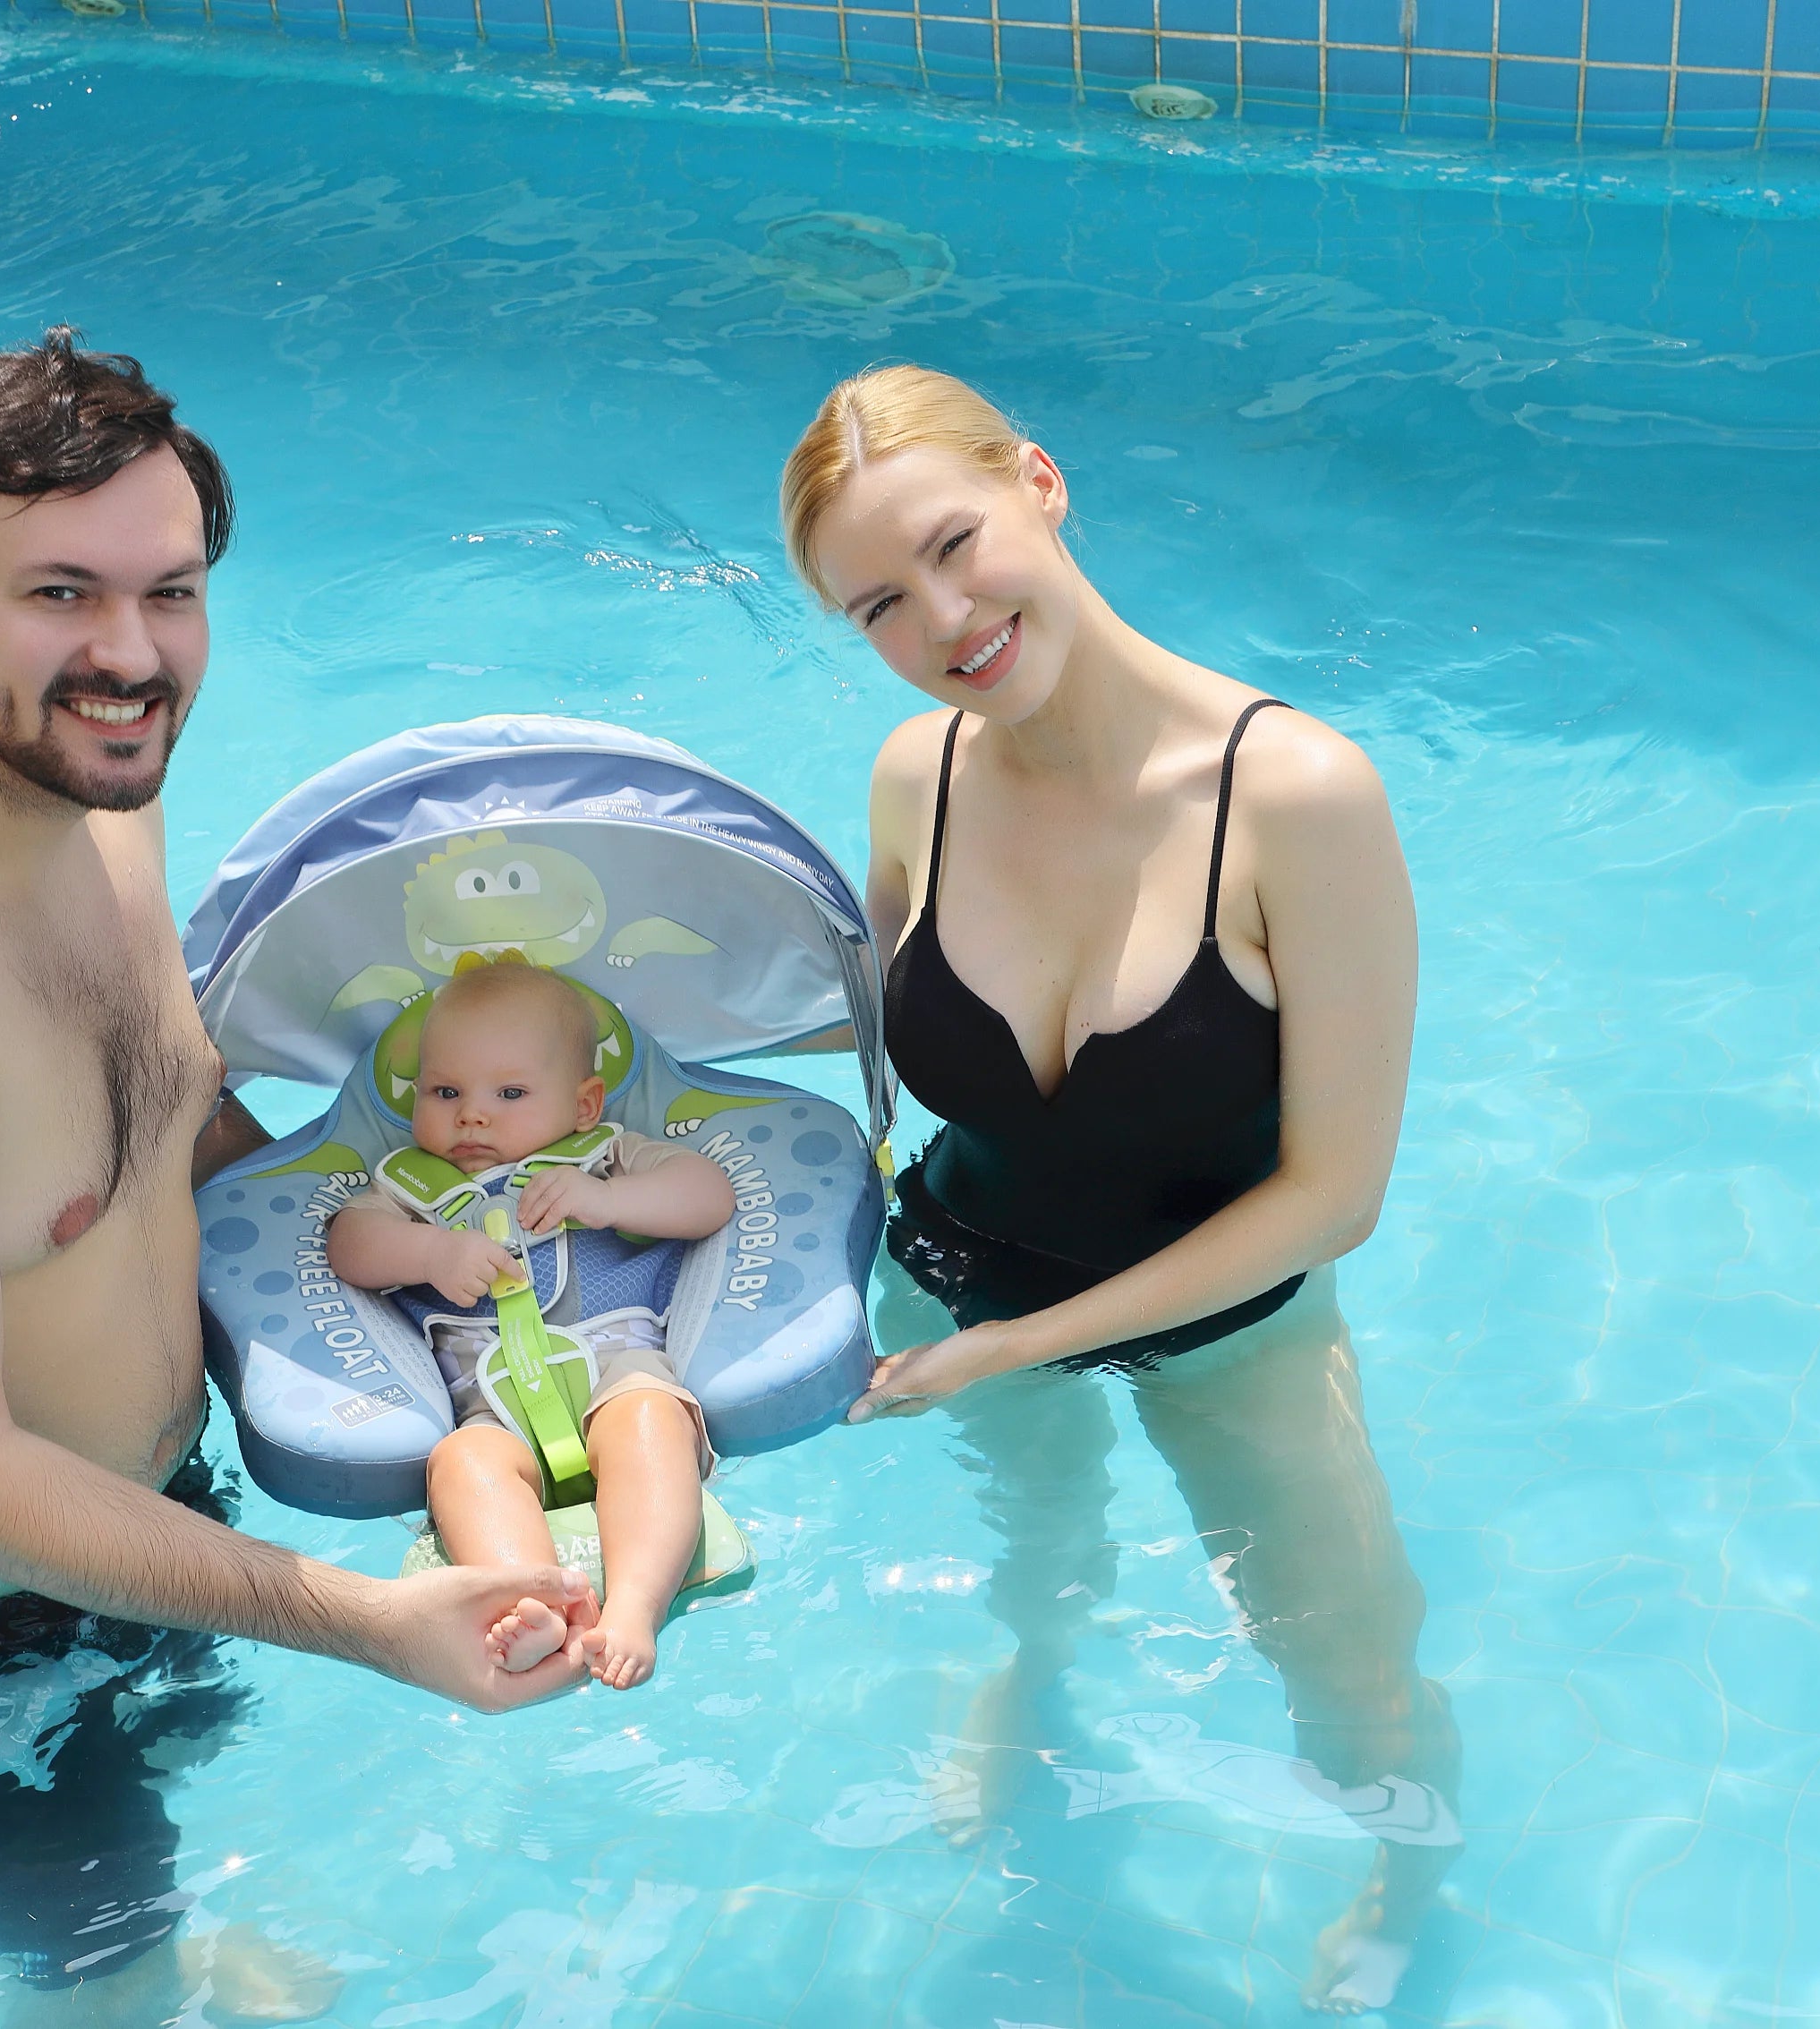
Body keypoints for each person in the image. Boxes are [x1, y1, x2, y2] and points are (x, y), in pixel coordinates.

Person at [0, 329, 591, 2022]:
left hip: (147, 1522)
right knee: (106, 1980)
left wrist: (445, 1263)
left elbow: (164, 1121)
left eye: (172, 593)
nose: (131, 654)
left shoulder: (99, 790)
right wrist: (368, 1620)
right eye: (61, 593)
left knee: (163, 1873)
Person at [779, 365, 1465, 2017]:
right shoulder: (916, 774)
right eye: (880, 604)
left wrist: (1025, 1345)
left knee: (1347, 1660)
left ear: (1040, 479)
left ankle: (1409, 1871)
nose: (944, 619)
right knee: (1041, 1557)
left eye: (955, 543)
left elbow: (1336, 1194)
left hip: (1228, 1320)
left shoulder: (1297, 797)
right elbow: (856, 1034)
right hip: (954, 1274)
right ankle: (1034, 1671)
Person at [327, 959, 735, 1691]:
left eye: (509, 1093)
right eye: (445, 1092)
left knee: (650, 1417)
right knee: (462, 1463)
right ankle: (536, 1606)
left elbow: (709, 1195)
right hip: (490, 1407)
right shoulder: (408, 1186)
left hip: (616, 1371)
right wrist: (430, 1251)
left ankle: (634, 1605)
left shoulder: (608, 1155)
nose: (472, 1115)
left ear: (584, 1103)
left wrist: (609, 1202)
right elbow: (349, 1246)